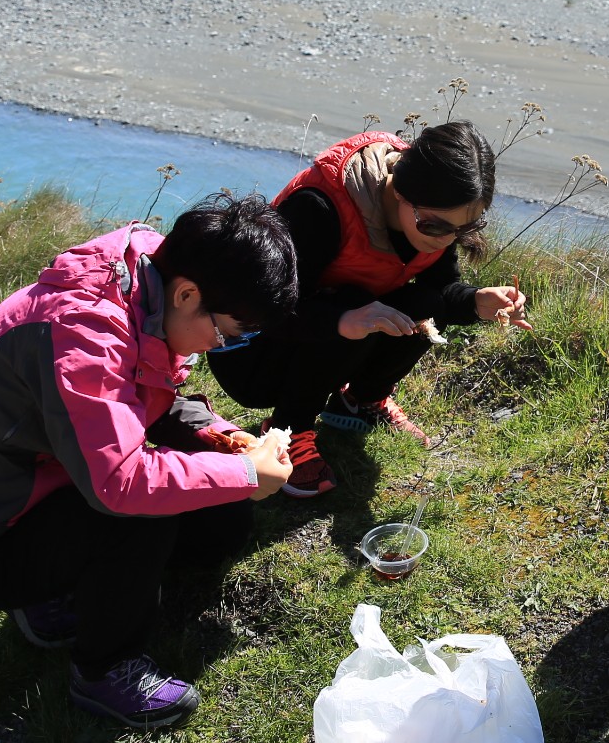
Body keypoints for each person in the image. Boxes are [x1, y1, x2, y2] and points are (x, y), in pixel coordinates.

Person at [0, 195, 297, 729]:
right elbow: (121, 482)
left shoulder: (146, 289)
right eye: (229, 334)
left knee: (223, 521)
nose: (219, 347)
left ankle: (58, 595)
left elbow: (145, 399)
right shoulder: (85, 334)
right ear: (189, 293)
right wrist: (244, 474)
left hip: (42, 493)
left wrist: (229, 441)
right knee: (142, 509)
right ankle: (104, 671)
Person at [208, 120, 529, 498]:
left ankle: (360, 400)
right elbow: (263, 309)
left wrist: (477, 301)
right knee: (353, 304)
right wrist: (343, 320)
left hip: (325, 330)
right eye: (436, 226)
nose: (446, 239)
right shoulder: (319, 208)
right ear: (400, 193)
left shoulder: (434, 212)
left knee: (423, 304)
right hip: (250, 354)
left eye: (463, 228)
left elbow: (440, 289)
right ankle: (286, 429)